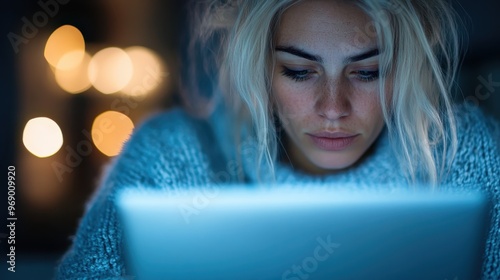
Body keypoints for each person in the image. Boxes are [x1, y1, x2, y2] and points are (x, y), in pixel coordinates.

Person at [56, 0, 500, 278]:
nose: (332, 107)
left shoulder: (459, 154)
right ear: (261, 70)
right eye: (300, 72)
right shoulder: (171, 156)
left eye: (367, 72)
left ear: (403, 70)